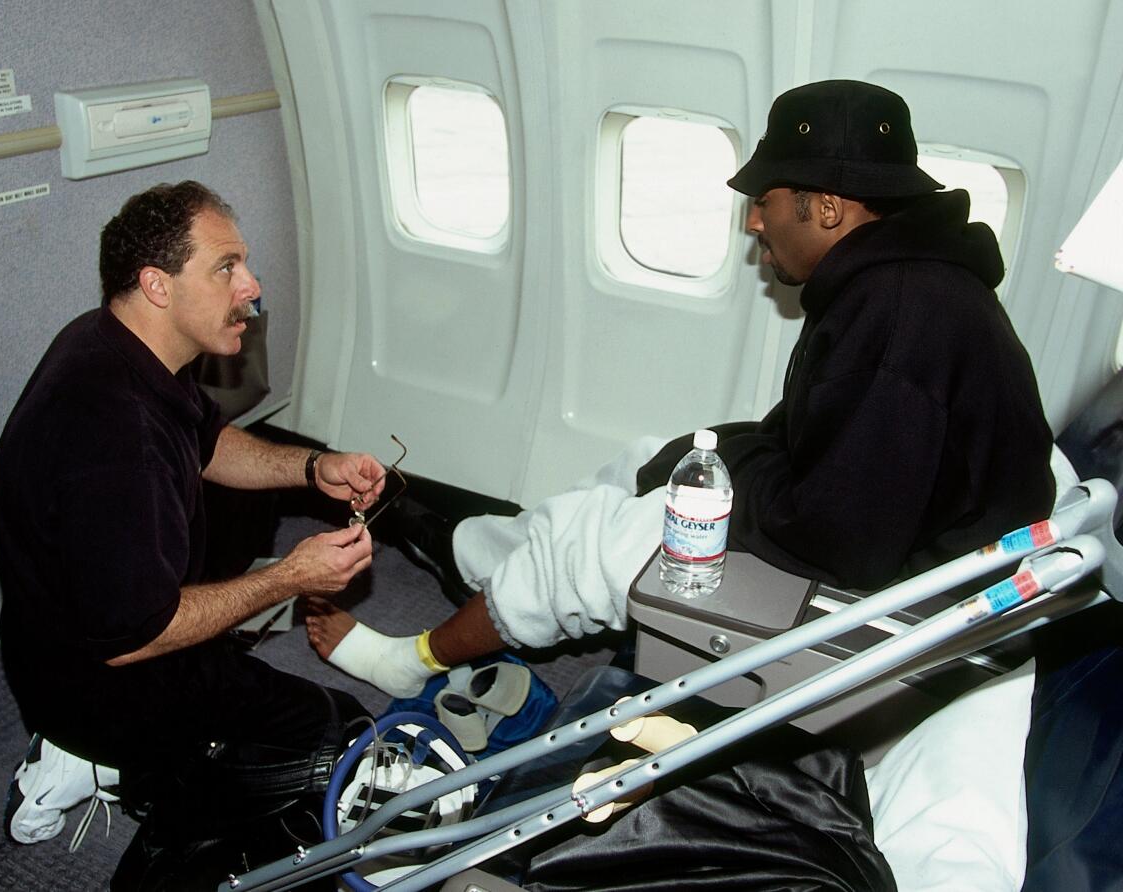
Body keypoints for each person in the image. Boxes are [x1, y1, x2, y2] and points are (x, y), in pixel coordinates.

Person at [306, 79, 1055, 702]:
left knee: (598, 548)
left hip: (897, 599)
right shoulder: (896, 283)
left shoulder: (898, 317)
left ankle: (416, 664)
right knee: (642, 459)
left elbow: (839, 539)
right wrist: (718, 455)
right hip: (881, 537)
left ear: (827, 208)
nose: (753, 220)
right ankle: (481, 561)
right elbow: (830, 448)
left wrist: (735, 473)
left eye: (768, 197)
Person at [0, 181, 383, 885]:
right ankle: (148, 809)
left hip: (63, 636)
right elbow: (134, 637)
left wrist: (313, 467)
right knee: (339, 744)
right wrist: (289, 578)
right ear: (158, 285)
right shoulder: (117, 440)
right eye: (226, 266)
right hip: (104, 680)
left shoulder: (110, 342)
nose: (252, 285)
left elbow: (209, 443)